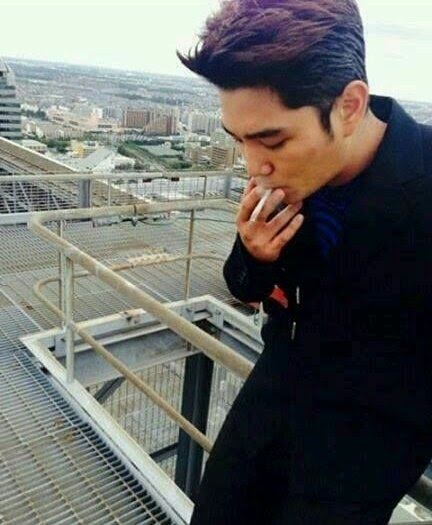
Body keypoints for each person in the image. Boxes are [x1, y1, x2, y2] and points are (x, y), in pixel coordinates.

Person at [178, 1, 432, 523]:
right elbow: (245, 286)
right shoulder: (285, 177)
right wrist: (254, 252)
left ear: (350, 106)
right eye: (239, 140)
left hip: (367, 443)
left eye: (272, 140)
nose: (255, 166)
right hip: (272, 397)